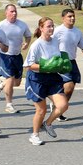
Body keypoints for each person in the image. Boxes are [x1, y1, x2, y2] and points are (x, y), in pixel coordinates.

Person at [24, 17, 69, 145]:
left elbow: (57, 58)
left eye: (52, 26)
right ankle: (35, 135)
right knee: (41, 110)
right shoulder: (36, 45)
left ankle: (48, 123)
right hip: (37, 79)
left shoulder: (55, 41)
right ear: (41, 28)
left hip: (53, 77)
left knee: (63, 105)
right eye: (48, 26)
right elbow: (28, 65)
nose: (51, 28)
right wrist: (45, 66)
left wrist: (62, 64)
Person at [52, 8, 83, 122]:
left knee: (70, 88)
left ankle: (59, 108)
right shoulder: (58, 31)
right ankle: (58, 106)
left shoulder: (77, 31)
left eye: (73, 16)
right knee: (69, 85)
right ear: (63, 18)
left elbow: (82, 44)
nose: (72, 18)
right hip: (61, 61)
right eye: (69, 16)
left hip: (72, 61)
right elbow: (49, 43)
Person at [0, 3, 31, 113]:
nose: (14, 13)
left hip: (17, 56)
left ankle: (1, 84)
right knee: (10, 79)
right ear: (6, 13)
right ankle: (9, 104)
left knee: (17, 82)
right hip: (5, 56)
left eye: (15, 11)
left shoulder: (22, 25)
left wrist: (26, 43)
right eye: (11, 11)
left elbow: (28, 36)